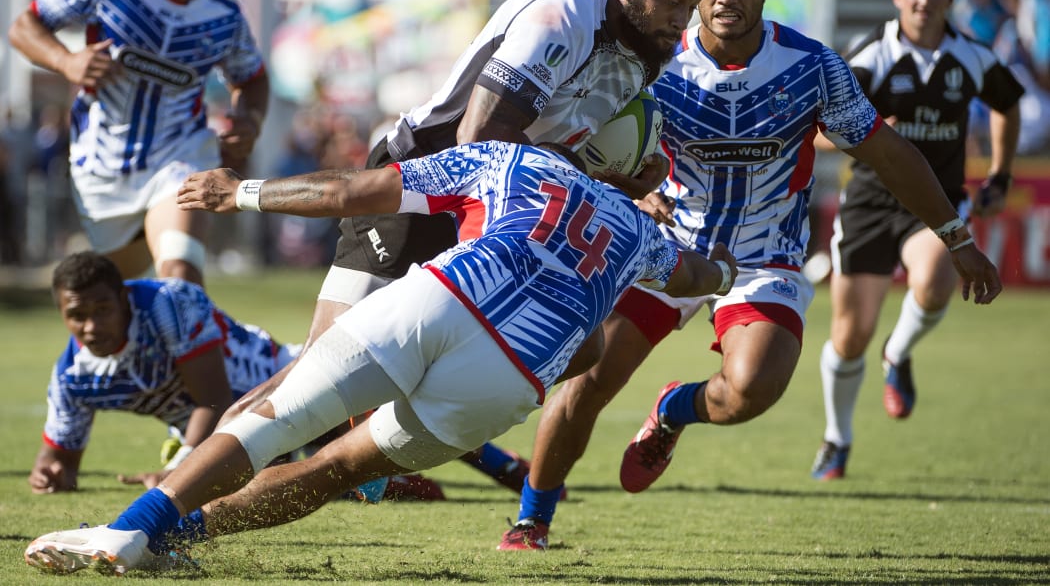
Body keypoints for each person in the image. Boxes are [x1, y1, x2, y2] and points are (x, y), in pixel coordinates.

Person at [496, 0, 1005, 551]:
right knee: (591, 379)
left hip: (766, 254)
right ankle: (531, 521)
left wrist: (956, 237)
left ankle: (673, 410)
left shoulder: (813, 66)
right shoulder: (651, 59)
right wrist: (629, 188)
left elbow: (889, 153)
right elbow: (581, 142)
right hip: (664, 244)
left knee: (754, 388)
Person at [24, 139, 738, 574]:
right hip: (506, 376)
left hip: (443, 299)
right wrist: (730, 272)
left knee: (279, 417)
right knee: (338, 467)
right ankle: (176, 537)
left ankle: (135, 529)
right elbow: (694, 279)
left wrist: (236, 192)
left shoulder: (511, 158)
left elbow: (345, 191)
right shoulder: (639, 236)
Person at [206, 0, 705, 491]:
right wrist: (584, 178)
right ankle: (184, 493)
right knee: (310, 376)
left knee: (581, 344)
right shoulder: (561, 17)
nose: (682, 17)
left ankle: (361, 445)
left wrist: (627, 176)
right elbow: (481, 137)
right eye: (672, 0)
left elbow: (581, 142)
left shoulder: (649, 48)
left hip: (505, 206)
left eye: (691, 3)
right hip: (423, 184)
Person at [810, 0, 1023, 480]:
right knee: (849, 337)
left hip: (938, 204)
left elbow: (1008, 103)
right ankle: (836, 440)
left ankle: (897, 354)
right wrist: (876, 136)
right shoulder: (870, 55)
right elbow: (819, 130)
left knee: (933, 280)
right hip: (868, 204)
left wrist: (1000, 172)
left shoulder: (972, 56)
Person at [6, 0, 269, 286]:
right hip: (101, 169)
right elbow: (24, 26)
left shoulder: (225, 18)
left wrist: (249, 121)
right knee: (121, 298)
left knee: (181, 278)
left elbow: (254, 79)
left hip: (179, 157)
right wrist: (65, 60)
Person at [29, 251, 300, 495]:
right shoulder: (73, 378)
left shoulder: (168, 304)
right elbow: (60, 458)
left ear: (123, 300)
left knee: (336, 426)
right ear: (61, 314)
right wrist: (49, 474)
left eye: (103, 310)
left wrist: (180, 469)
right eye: (78, 315)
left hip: (284, 378)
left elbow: (215, 400)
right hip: (229, 440)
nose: (92, 327)